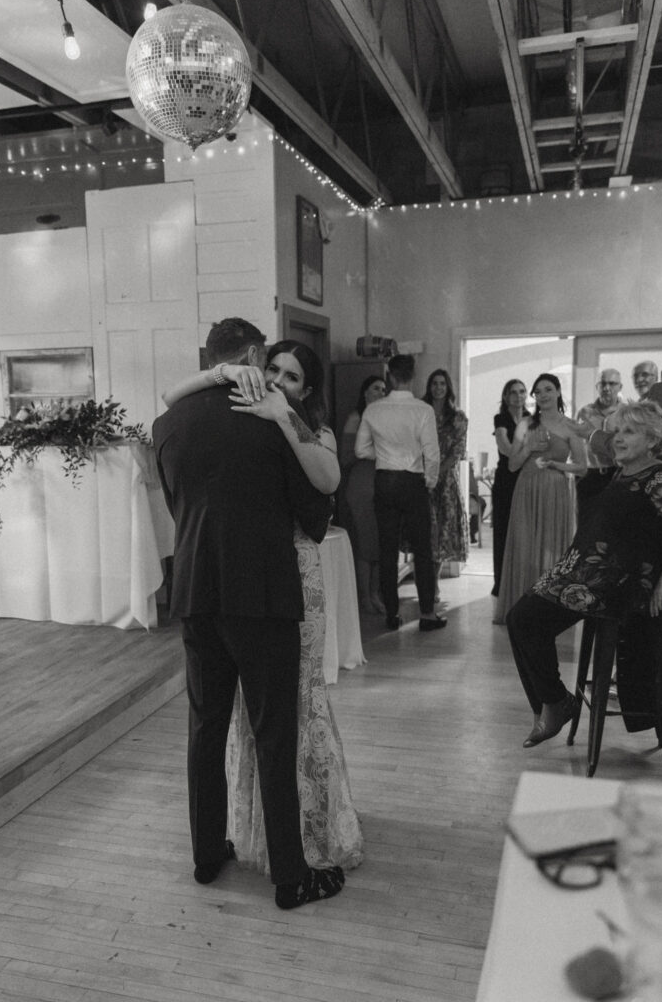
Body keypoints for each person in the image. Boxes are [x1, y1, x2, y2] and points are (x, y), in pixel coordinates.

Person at [153, 318, 345, 910]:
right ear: (256, 355)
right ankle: (291, 877)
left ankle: (208, 855)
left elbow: (177, 503)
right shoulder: (268, 421)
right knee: (273, 732)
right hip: (261, 595)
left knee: (206, 728)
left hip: (193, 591)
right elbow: (316, 514)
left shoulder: (167, 424)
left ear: (209, 357)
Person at [506, 400, 662, 752]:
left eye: (629, 432)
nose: (619, 439)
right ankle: (553, 702)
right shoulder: (625, 470)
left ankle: (554, 704)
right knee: (519, 618)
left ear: (654, 441)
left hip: (613, 584)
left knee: (525, 619)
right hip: (581, 573)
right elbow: (602, 443)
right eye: (619, 431)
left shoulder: (660, 478)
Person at [355, 354, 445, 632]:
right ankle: (428, 613)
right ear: (412, 376)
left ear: (390, 376)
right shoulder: (422, 410)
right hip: (414, 481)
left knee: (387, 548)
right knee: (422, 549)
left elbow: (360, 450)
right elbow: (432, 451)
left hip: (385, 480)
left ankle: (391, 614)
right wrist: (429, 481)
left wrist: (382, 455)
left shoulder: (374, 410)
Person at [495, 373, 587, 624]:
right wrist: (528, 448)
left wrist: (556, 464)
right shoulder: (525, 424)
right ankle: (521, 610)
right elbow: (512, 465)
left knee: (551, 550)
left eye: (548, 389)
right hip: (526, 488)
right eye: (538, 391)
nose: (543, 395)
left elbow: (581, 467)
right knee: (525, 548)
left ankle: (549, 610)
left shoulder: (570, 425)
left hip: (556, 490)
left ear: (558, 392)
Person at [339, 374, 387, 614]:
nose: (381, 392)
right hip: (361, 484)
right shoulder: (355, 418)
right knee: (366, 543)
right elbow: (346, 456)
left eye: (384, 389)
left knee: (379, 543)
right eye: (376, 388)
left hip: (382, 484)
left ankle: (376, 593)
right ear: (365, 392)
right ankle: (364, 597)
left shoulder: (385, 418)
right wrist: (370, 450)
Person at [422, 368, 469, 570]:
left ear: (448, 387)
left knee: (442, 531)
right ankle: (425, 581)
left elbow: (458, 451)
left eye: (442, 384)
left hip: (446, 480)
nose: (438, 388)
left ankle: (435, 583)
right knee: (424, 531)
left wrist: (438, 473)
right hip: (421, 477)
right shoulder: (420, 412)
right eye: (434, 383)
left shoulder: (458, 417)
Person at [490, 379, 530, 599]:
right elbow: (504, 448)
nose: (518, 396)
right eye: (513, 392)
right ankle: (501, 584)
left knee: (524, 532)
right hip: (505, 480)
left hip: (526, 479)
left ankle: (522, 580)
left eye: (522, 391)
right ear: (506, 397)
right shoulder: (501, 418)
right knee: (503, 531)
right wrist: (527, 449)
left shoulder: (533, 419)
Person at [573, 368, 623, 526]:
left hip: (617, 476)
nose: (607, 388)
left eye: (612, 384)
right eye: (603, 383)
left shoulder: (627, 413)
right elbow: (575, 443)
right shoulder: (585, 413)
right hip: (589, 476)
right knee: (587, 525)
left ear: (620, 387)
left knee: (615, 526)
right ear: (597, 387)